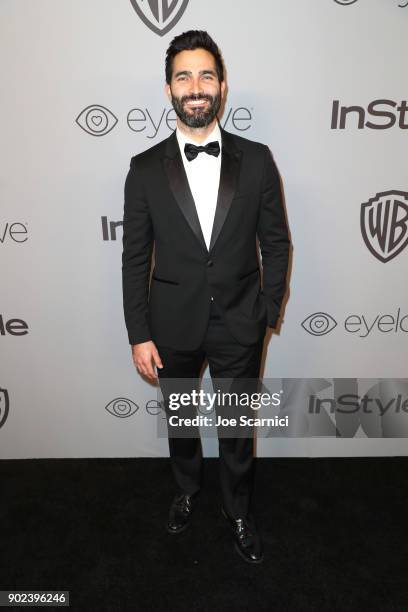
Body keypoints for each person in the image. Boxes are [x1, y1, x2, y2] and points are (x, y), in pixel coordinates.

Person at [122, 30, 290, 564]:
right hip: (170, 323)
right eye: (184, 76)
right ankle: (188, 489)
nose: (196, 87)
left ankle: (238, 508)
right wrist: (139, 332)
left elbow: (276, 242)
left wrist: (267, 310)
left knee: (238, 426)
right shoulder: (144, 168)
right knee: (180, 420)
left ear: (222, 85)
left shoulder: (259, 160)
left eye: (206, 75)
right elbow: (133, 258)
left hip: (241, 319)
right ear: (168, 88)